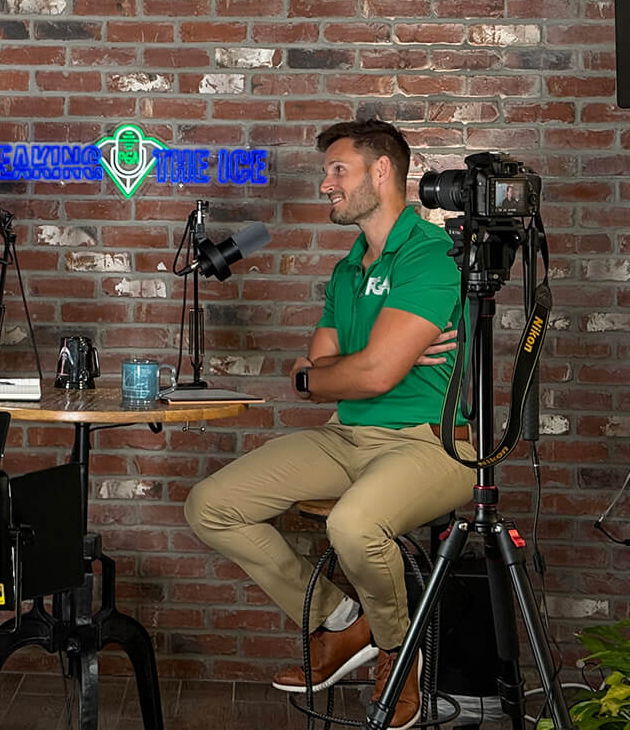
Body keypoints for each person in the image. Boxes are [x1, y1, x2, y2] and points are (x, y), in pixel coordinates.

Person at [184, 119, 475, 730]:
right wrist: (349, 367)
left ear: (381, 172)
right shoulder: (347, 270)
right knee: (211, 504)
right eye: (326, 173)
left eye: (336, 170)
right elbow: (327, 373)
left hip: (429, 443)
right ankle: (344, 622)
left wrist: (344, 368)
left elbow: (365, 375)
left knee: (353, 523)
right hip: (346, 434)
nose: (325, 185)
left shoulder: (432, 256)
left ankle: (399, 655)